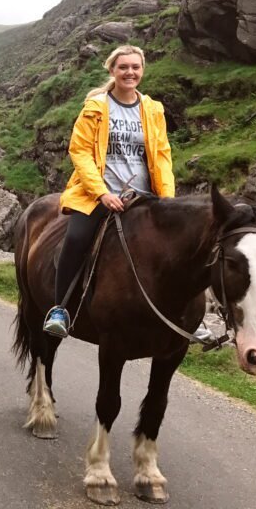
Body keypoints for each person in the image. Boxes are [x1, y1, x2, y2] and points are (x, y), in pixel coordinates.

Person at [44, 44, 193, 339]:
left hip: (144, 196)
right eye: (123, 67)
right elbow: (80, 152)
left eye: (135, 67)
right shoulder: (96, 107)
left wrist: (167, 201)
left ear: (142, 70)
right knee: (75, 240)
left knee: (178, 248)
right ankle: (60, 309)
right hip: (99, 195)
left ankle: (186, 314)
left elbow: (162, 155)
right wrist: (102, 194)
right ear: (112, 70)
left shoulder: (153, 109)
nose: (130, 72)